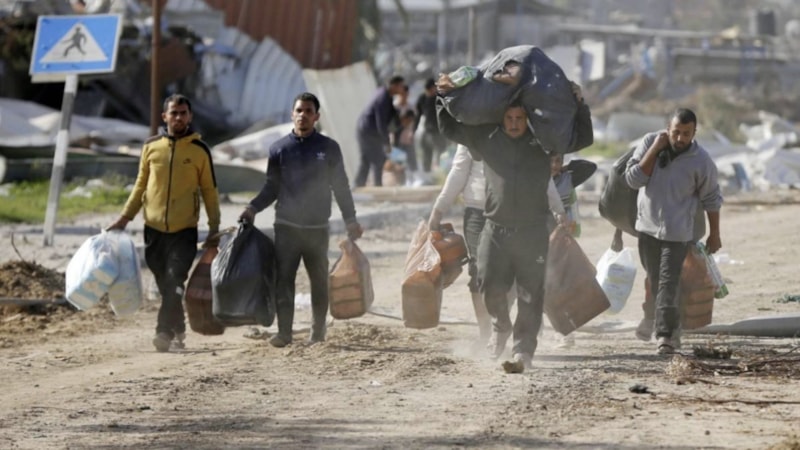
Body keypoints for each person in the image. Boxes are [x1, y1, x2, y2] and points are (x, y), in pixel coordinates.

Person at [437, 100, 560, 372]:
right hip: (495, 229)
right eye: (509, 118)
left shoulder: (539, 145)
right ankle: (500, 324)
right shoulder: (487, 143)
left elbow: (577, 139)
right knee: (486, 281)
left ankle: (522, 352)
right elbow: (451, 129)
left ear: (527, 120)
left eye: (520, 117)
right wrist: (441, 97)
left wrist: (560, 212)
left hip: (531, 231)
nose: (515, 123)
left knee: (530, 294)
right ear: (500, 120)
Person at [240, 92, 364, 348]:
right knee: (283, 280)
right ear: (292, 114)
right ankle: (284, 333)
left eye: (309, 111)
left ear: (316, 116)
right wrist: (252, 207)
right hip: (286, 227)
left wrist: (350, 219)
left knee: (319, 281)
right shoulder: (279, 149)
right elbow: (271, 187)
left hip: (317, 228)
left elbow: (341, 187)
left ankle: (317, 332)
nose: (303, 115)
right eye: (299, 110)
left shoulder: (329, 148)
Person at [107, 94, 221, 353]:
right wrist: (124, 218)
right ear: (165, 117)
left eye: (183, 113)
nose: (179, 117)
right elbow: (140, 185)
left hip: (184, 231)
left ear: (190, 117)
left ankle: (163, 332)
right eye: (174, 113)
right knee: (166, 286)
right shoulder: (151, 147)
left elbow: (210, 192)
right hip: (153, 230)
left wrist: (214, 229)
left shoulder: (199, 150)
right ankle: (179, 327)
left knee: (174, 281)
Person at [428, 144, 567, 348]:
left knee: (510, 272)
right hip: (477, 211)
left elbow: (538, 172)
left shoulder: (518, 128)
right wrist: (438, 210)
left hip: (514, 212)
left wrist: (558, 209)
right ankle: (488, 332)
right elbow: (458, 171)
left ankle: (504, 327)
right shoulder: (470, 131)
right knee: (479, 272)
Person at [623, 108, 723, 355]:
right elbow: (633, 180)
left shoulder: (701, 161)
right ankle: (652, 317)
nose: (680, 139)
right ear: (667, 129)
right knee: (654, 280)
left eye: (686, 134)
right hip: (647, 229)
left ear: (694, 133)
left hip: (678, 233)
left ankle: (666, 335)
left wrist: (715, 233)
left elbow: (712, 198)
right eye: (676, 132)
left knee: (668, 283)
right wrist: (655, 149)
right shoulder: (649, 143)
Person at [355, 75, 406, 187]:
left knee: (366, 160)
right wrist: (386, 142)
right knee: (378, 159)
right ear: (394, 86)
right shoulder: (383, 97)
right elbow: (381, 122)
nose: (403, 89)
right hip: (368, 131)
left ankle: (358, 185)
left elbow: (393, 116)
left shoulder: (386, 95)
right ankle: (377, 187)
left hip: (366, 130)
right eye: (401, 86)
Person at [415, 77, 448, 181]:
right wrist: (413, 130)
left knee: (441, 152)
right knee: (426, 153)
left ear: (434, 88)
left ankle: (441, 173)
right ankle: (427, 176)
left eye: (430, 90)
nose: (429, 93)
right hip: (427, 131)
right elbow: (418, 115)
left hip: (440, 131)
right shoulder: (422, 98)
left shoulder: (440, 97)